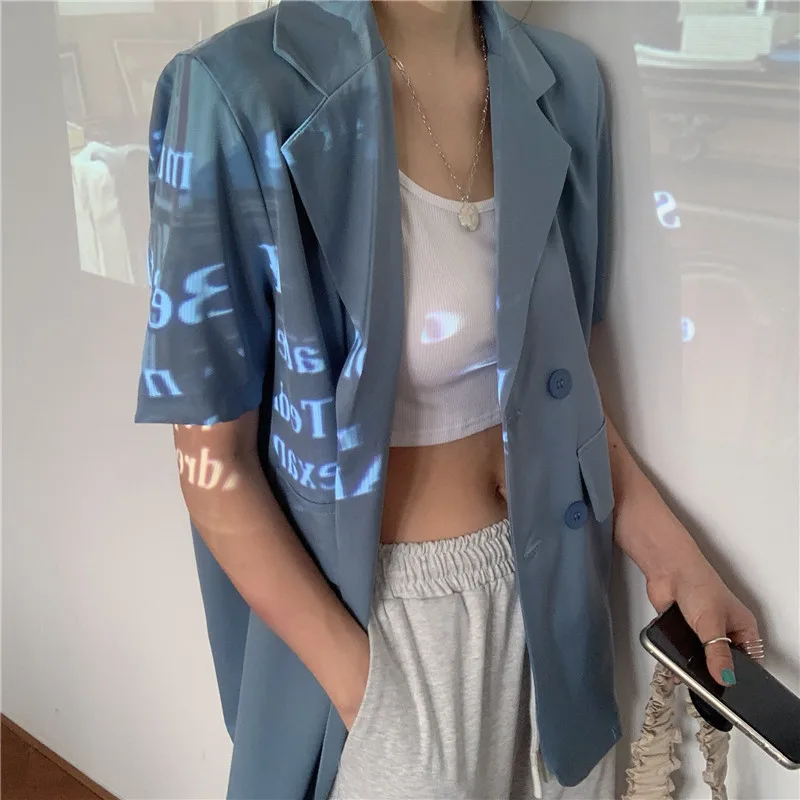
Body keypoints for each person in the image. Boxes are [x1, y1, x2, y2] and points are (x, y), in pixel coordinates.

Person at [135, 1, 763, 798]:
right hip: (387, 629)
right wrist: (366, 693)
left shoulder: (566, 86)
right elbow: (212, 466)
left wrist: (677, 561)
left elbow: (558, 392)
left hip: (559, 612)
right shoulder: (233, 94)